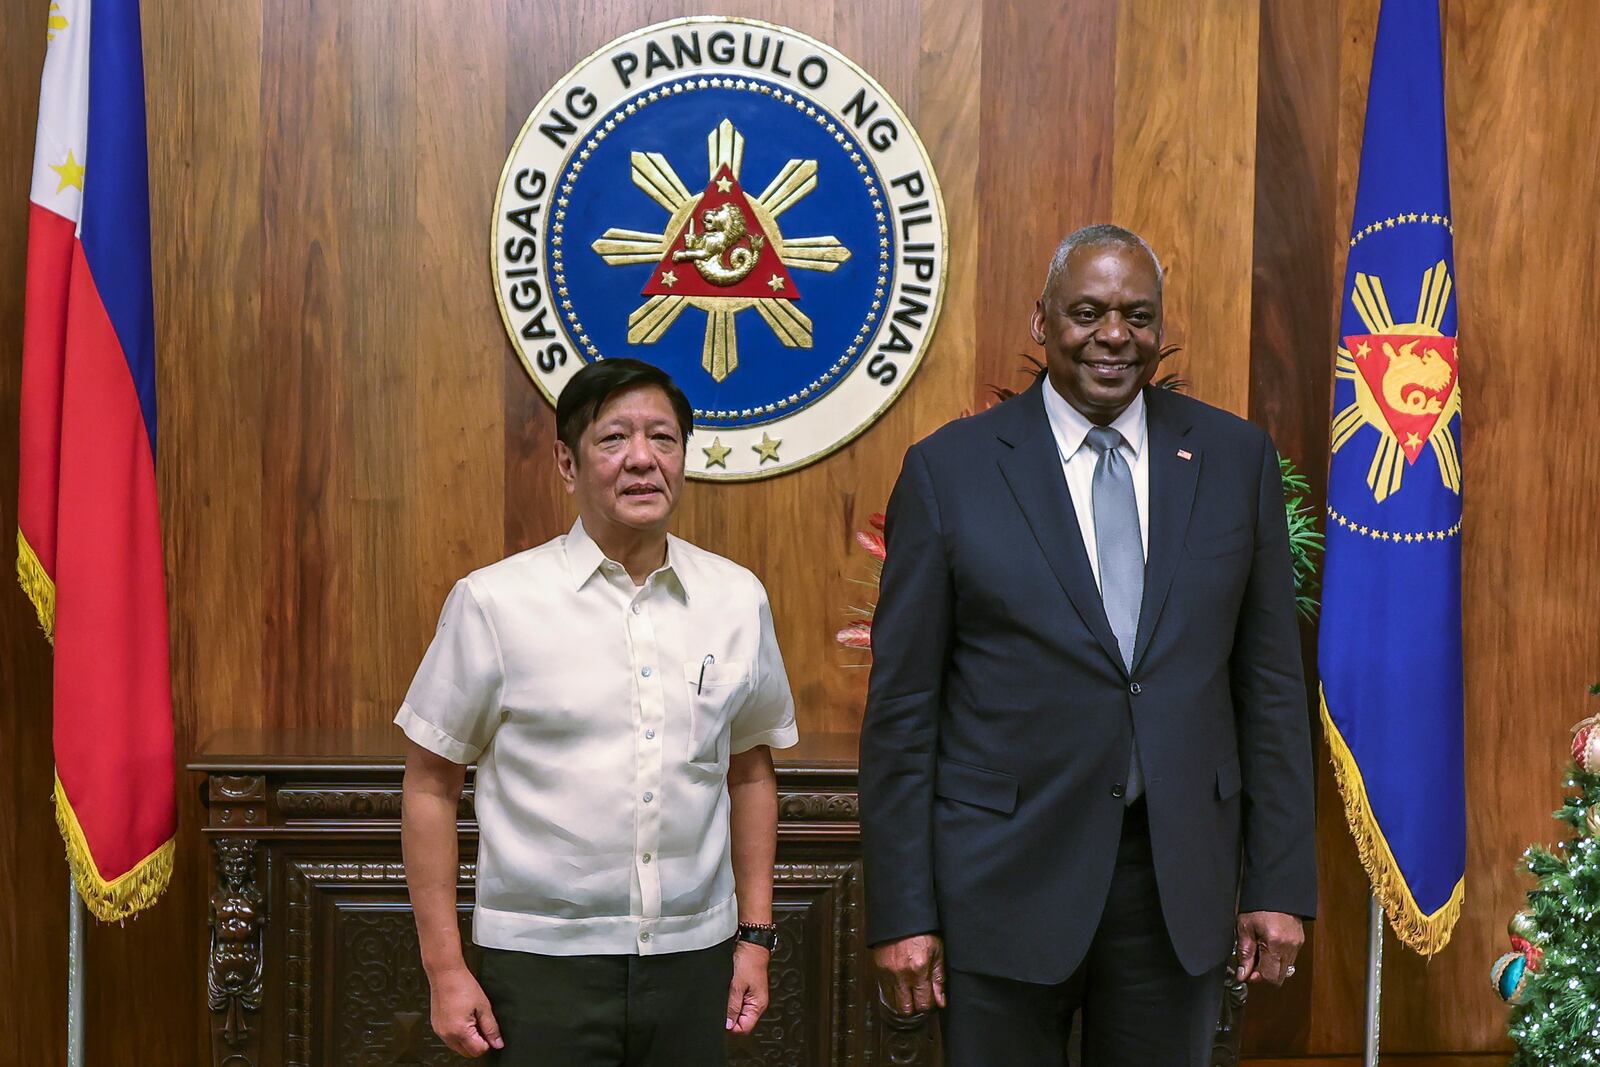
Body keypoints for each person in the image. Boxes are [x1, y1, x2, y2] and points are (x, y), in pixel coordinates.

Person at [859, 225, 1317, 1064]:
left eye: (1138, 316)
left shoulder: (1233, 459)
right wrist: (903, 910)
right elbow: (903, 710)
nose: (1115, 334)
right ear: (1041, 323)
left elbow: (1272, 689)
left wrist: (1280, 883)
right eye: (1088, 311)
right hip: (1001, 879)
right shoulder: (949, 471)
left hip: (1175, 881)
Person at [397, 359, 798, 1065]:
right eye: (614, 438)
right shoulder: (494, 602)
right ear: (566, 460)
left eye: (664, 439)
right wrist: (445, 967)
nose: (643, 459)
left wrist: (755, 939)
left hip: (694, 959)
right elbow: (431, 784)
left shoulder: (737, 599)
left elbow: (751, 772)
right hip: (540, 969)